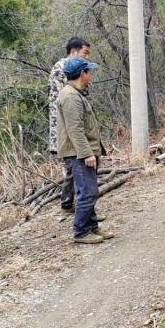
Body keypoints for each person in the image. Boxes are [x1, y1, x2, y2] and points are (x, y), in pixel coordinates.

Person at [55, 57, 113, 244]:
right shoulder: (71, 96)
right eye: (88, 71)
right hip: (78, 153)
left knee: (88, 190)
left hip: (81, 151)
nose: (90, 75)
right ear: (82, 73)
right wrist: (87, 153)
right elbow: (75, 129)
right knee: (88, 192)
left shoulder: (75, 93)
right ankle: (81, 232)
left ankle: (92, 226)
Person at [48, 37, 91, 211]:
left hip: (74, 125)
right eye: (84, 53)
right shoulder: (61, 69)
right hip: (66, 127)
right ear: (73, 51)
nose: (87, 57)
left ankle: (80, 209)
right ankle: (68, 205)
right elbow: (68, 101)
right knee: (73, 168)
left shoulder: (76, 69)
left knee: (76, 169)